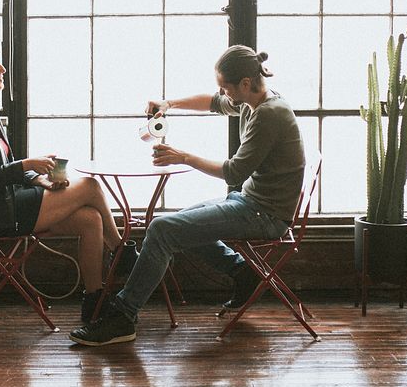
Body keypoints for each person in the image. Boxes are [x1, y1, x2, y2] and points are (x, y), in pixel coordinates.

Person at [68, 45, 306, 346]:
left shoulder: (268, 116)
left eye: (226, 87)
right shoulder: (253, 100)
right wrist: (169, 103)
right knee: (178, 222)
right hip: (250, 202)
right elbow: (213, 103)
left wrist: (182, 157)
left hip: (265, 215)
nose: (223, 93)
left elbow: (233, 172)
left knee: (162, 230)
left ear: (245, 83)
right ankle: (243, 272)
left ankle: (122, 317)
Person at [0, 44, 136, 323]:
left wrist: (40, 179)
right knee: (92, 186)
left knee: (91, 219)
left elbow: (3, 168)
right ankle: (122, 255)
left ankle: (95, 302)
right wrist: (27, 164)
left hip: (8, 203)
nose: (3, 69)